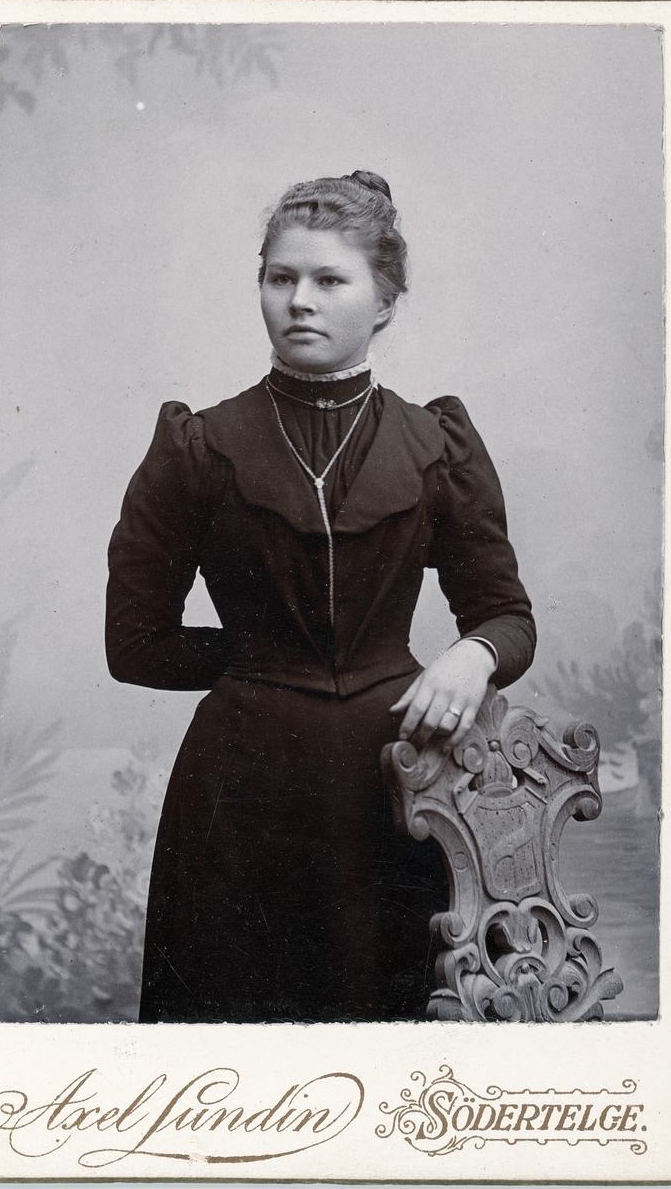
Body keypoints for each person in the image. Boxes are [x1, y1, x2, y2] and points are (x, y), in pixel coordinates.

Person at [106, 171, 536, 1023]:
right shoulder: (198, 448)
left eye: (329, 280)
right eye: (280, 277)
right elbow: (136, 645)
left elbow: (505, 614)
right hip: (238, 794)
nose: (298, 301)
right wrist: (266, 662)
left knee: (392, 1024)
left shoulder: (435, 445)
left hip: (398, 787)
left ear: (384, 303)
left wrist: (472, 655)